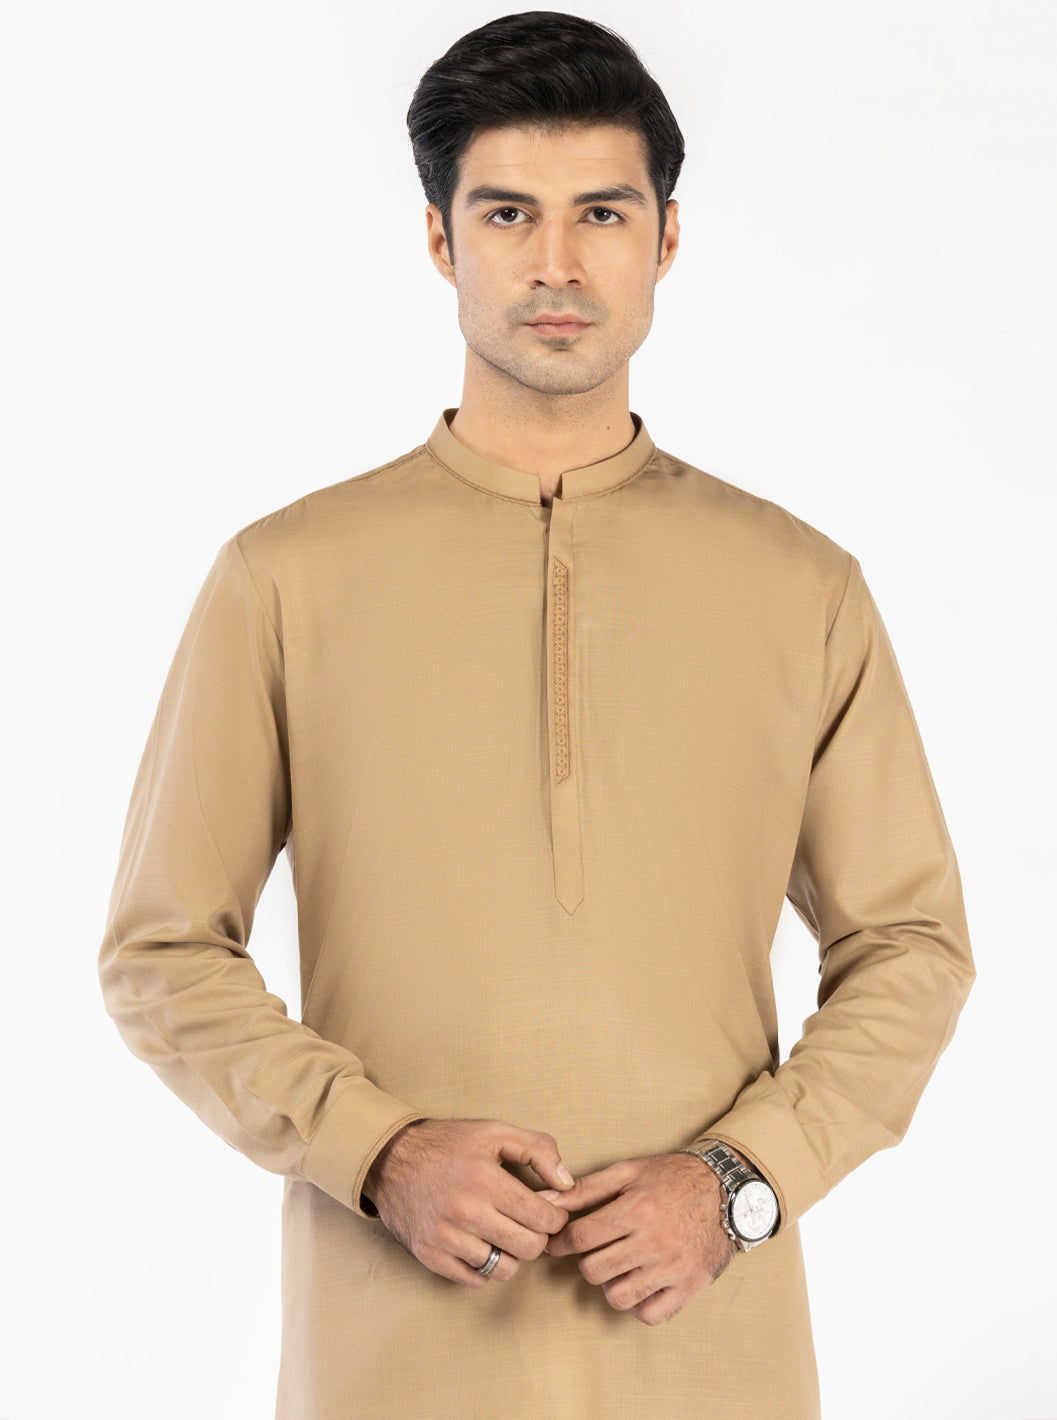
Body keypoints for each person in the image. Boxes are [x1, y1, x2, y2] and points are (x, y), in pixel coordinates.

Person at [98, 11, 975, 1419]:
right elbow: (161, 950)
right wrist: (377, 1152)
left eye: (601, 214)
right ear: (440, 240)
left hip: (716, 1369)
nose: (556, 263)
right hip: (390, 1368)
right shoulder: (287, 578)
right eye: (508, 213)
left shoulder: (800, 587)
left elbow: (911, 947)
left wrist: (739, 1183)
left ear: (665, 239)